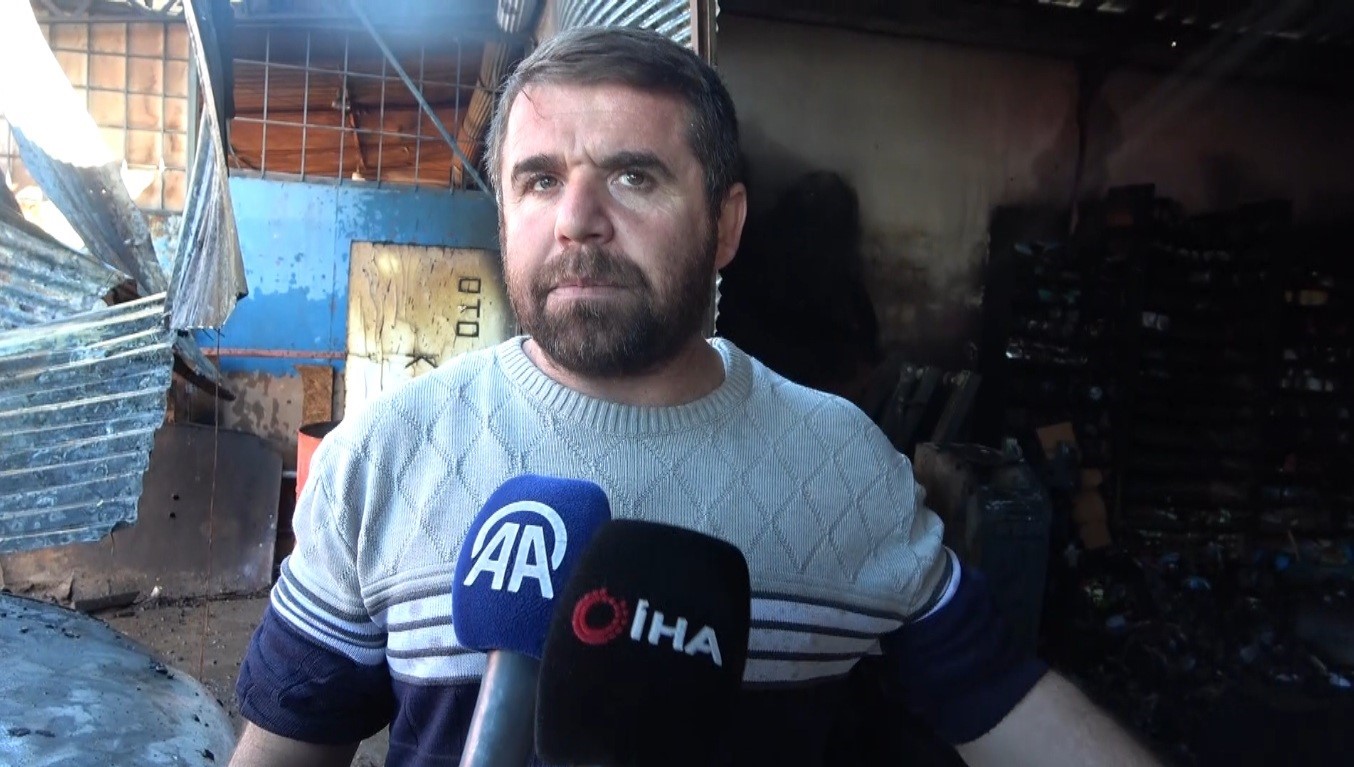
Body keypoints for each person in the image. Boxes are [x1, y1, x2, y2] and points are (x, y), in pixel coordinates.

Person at [230, 25, 1160, 767]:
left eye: (634, 175)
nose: (578, 220)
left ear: (726, 225)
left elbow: (1003, 700)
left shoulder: (844, 466)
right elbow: (285, 746)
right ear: (505, 214)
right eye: (541, 180)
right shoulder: (383, 454)